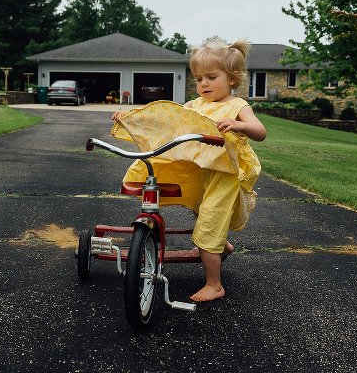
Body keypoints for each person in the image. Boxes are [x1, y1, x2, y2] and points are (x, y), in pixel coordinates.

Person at [112, 38, 266, 302]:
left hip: (224, 175)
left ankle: (215, 285)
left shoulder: (237, 107)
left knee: (207, 226)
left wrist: (239, 125)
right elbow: (166, 121)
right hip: (200, 170)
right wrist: (130, 117)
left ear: (232, 78)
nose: (203, 84)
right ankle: (222, 247)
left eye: (211, 77)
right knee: (201, 211)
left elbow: (260, 132)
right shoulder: (194, 105)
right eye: (198, 78)